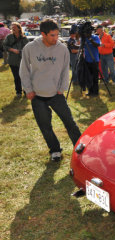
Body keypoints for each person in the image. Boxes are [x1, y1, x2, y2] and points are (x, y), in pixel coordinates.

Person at [19, 19, 81, 162]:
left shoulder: (62, 49)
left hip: (56, 94)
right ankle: (55, 150)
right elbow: (24, 70)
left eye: (57, 35)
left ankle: (80, 148)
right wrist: (28, 89)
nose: (56, 38)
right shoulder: (30, 48)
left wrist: (62, 88)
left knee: (70, 122)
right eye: (52, 35)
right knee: (45, 126)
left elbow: (66, 70)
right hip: (37, 95)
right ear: (43, 34)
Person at [3, 22, 28, 96]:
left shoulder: (24, 38)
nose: (13, 28)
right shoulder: (9, 37)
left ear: (19, 28)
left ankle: (26, 90)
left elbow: (28, 47)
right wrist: (12, 50)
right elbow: (4, 46)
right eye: (12, 27)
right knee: (16, 77)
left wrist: (21, 51)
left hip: (22, 60)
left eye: (14, 27)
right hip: (12, 60)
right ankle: (18, 91)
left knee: (24, 76)